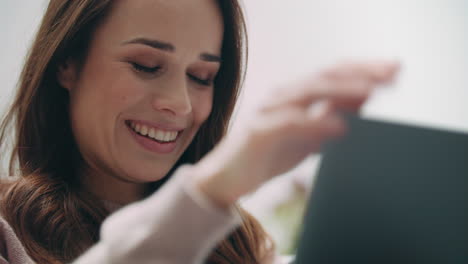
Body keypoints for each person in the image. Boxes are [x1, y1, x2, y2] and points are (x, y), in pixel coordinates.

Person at [0, 0, 399, 263]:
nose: (181, 104)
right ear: (67, 63)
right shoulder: (7, 232)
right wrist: (207, 193)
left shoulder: (243, 246)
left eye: (201, 76)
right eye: (146, 65)